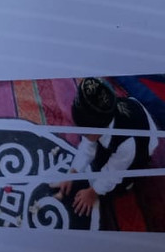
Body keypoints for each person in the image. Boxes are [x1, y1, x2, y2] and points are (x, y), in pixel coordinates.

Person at [52, 76, 160, 217]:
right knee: (96, 152)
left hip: (140, 147)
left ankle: (128, 183)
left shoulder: (126, 145)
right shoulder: (99, 118)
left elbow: (112, 174)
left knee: (118, 183)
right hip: (120, 130)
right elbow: (88, 146)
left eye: (85, 133)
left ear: (100, 128)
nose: (82, 135)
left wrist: (92, 192)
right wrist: (72, 173)